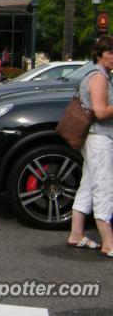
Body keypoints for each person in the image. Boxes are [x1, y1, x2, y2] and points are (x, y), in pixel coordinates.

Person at [67, 35, 113, 258]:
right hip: (100, 138)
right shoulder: (99, 78)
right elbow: (101, 111)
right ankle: (109, 243)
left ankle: (76, 234)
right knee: (104, 187)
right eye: (110, 53)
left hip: (95, 138)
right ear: (99, 54)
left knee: (87, 185)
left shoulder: (98, 75)